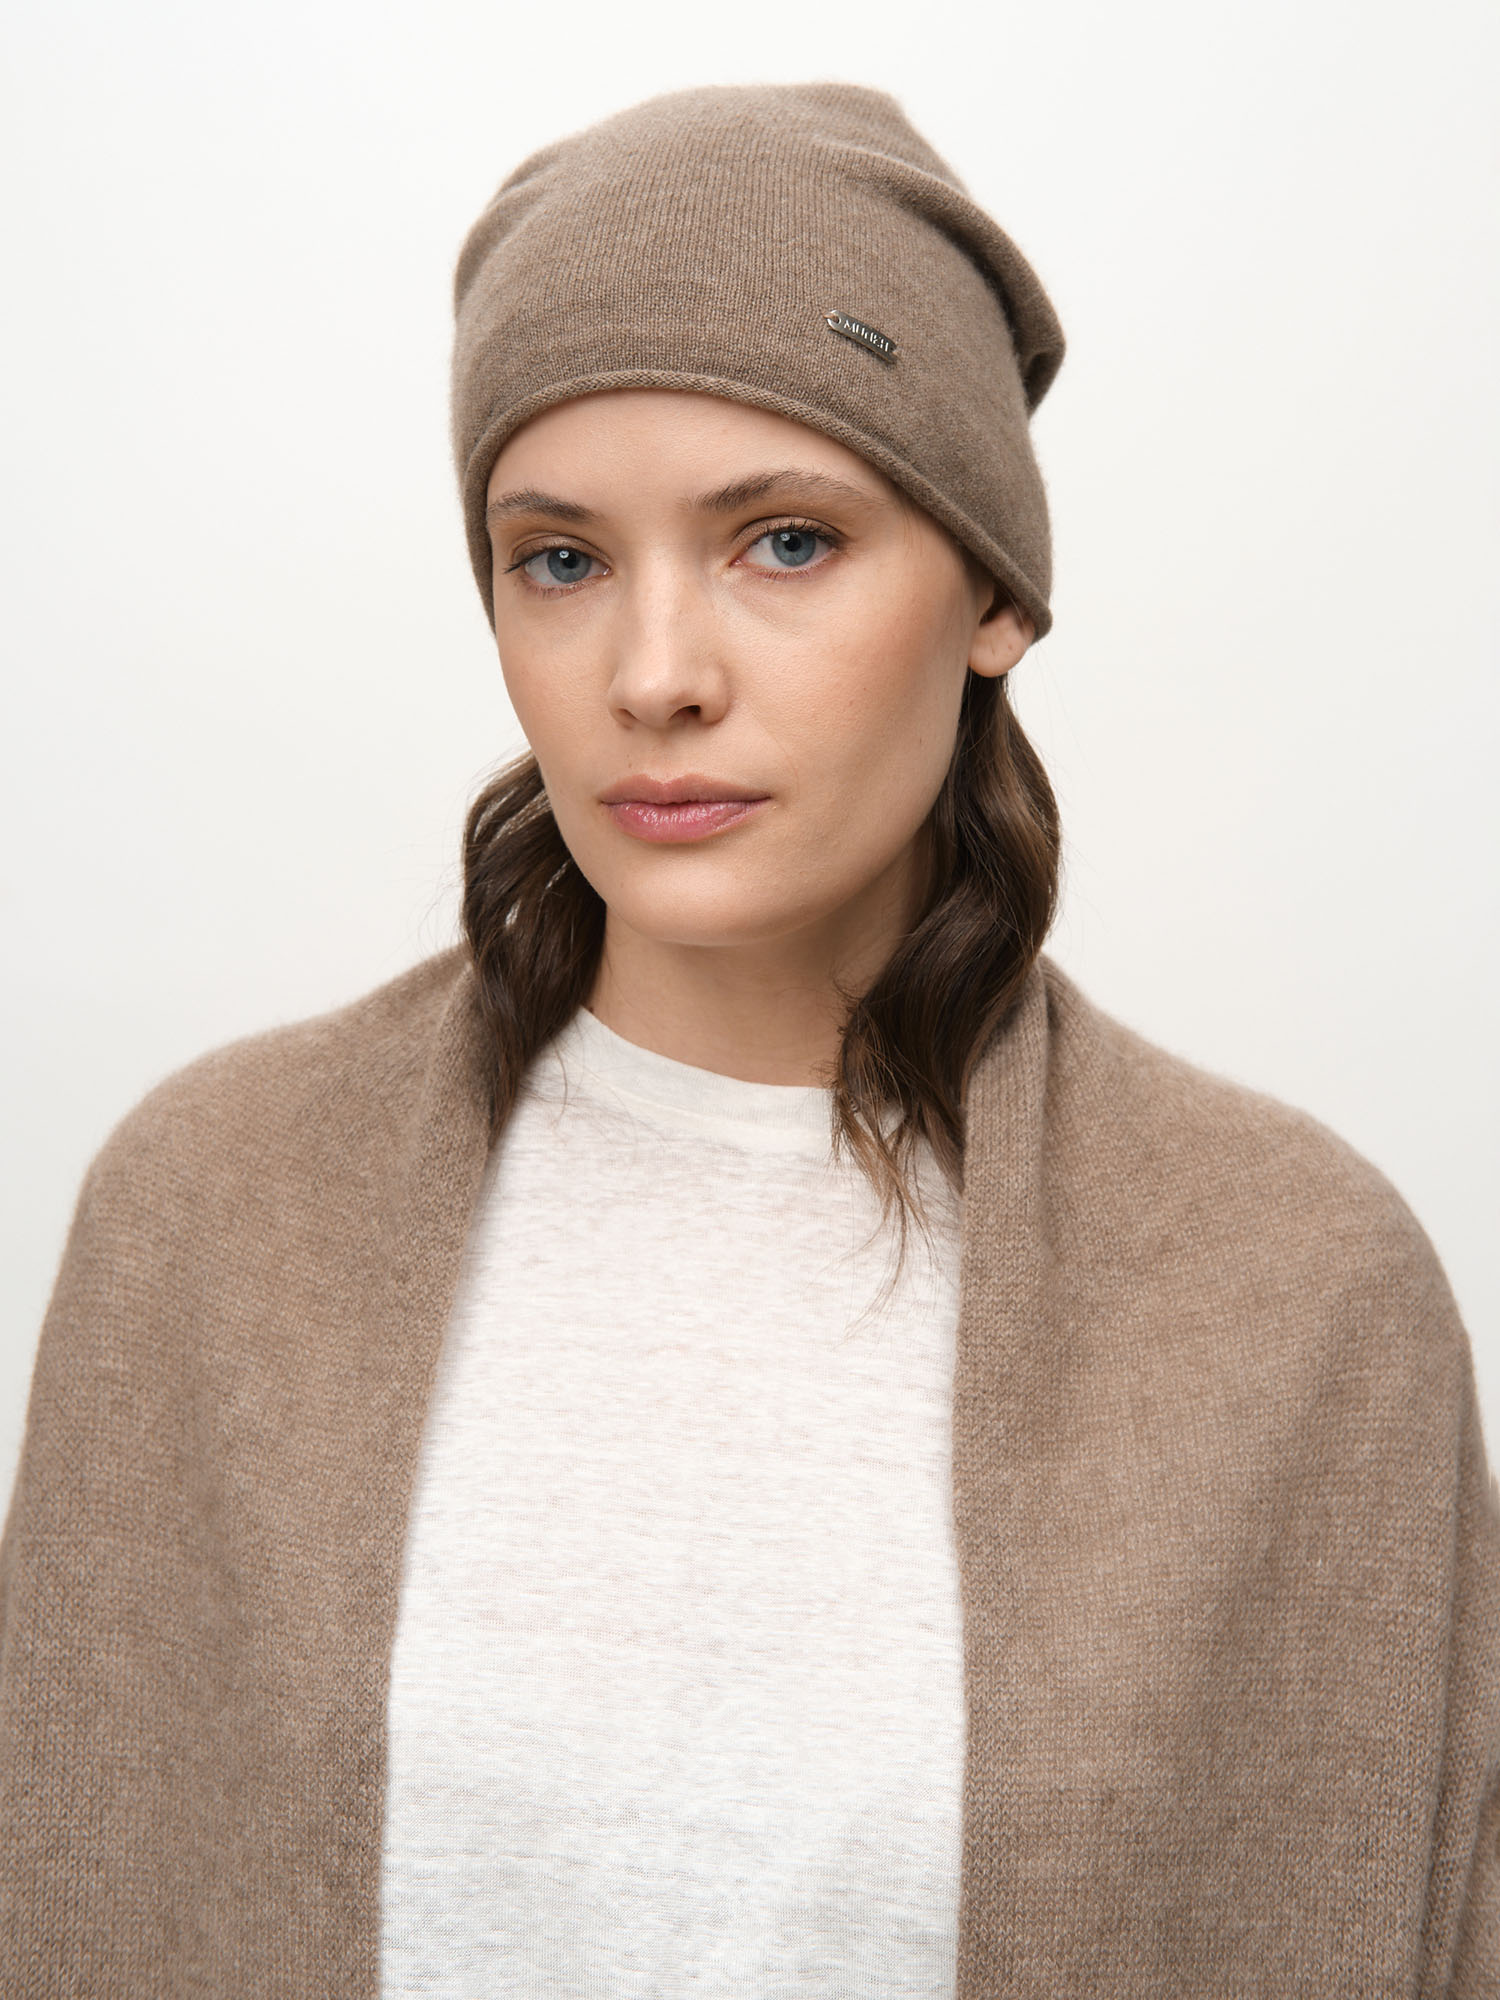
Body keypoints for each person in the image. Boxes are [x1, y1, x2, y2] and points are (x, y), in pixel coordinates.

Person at [0, 81, 1495, 2000]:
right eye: (560, 560)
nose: (653, 677)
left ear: (995, 592)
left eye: (786, 542)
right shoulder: (215, 1216)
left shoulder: (1291, 1287)